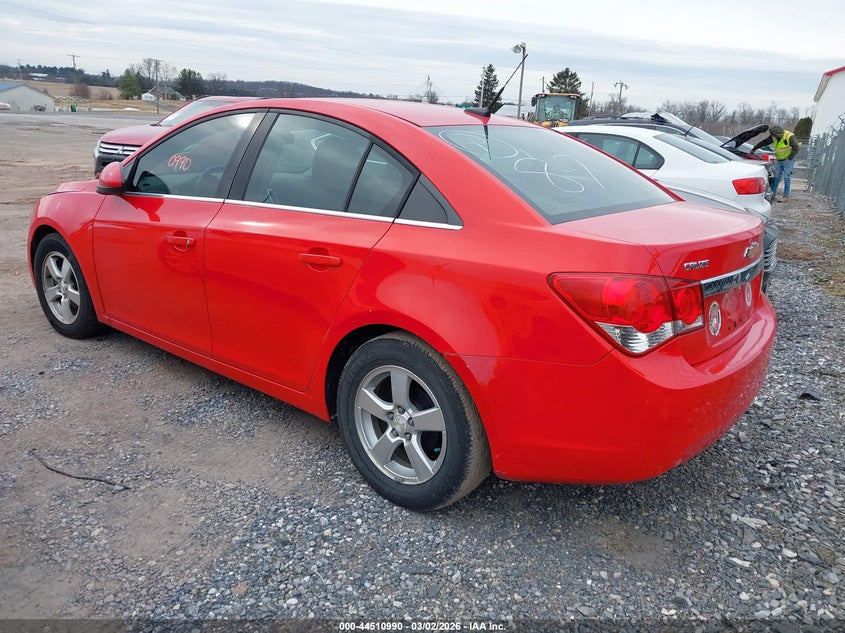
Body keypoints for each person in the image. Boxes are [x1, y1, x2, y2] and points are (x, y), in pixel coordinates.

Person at [752, 124, 800, 202]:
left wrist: (789, 158)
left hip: (788, 161)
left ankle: (785, 196)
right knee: (776, 178)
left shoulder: (789, 136)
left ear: (776, 134)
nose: (772, 137)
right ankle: (772, 195)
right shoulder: (774, 136)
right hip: (779, 160)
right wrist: (755, 147)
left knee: (786, 178)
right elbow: (765, 142)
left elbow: (796, 148)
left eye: (773, 136)